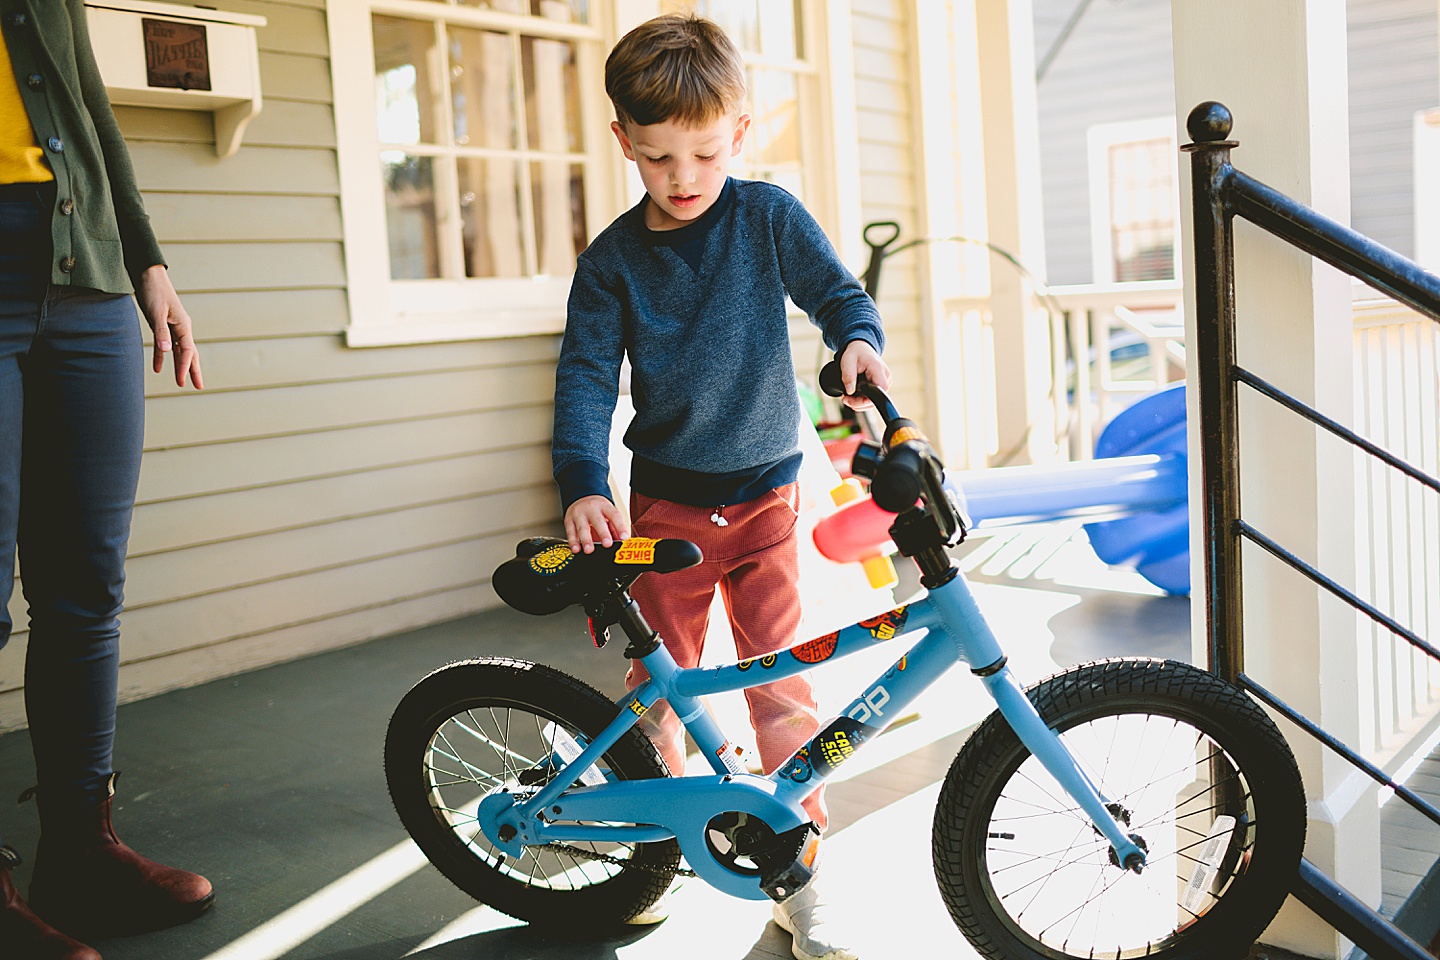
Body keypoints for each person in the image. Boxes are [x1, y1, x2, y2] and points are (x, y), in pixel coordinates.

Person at [551, 14, 890, 960]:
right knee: (660, 691)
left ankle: (799, 869)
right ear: (625, 143)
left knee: (782, 684)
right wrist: (584, 481)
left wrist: (857, 340)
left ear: (738, 132)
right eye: (658, 158)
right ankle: (649, 854)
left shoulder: (768, 217)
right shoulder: (613, 260)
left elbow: (840, 296)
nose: (684, 177)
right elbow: (583, 376)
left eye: (703, 152)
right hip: (663, 511)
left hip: (771, 501)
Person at [0, 3, 212, 958]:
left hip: (82, 274)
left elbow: (86, 102)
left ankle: (79, 852)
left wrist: (147, 257)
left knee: (87, 587)